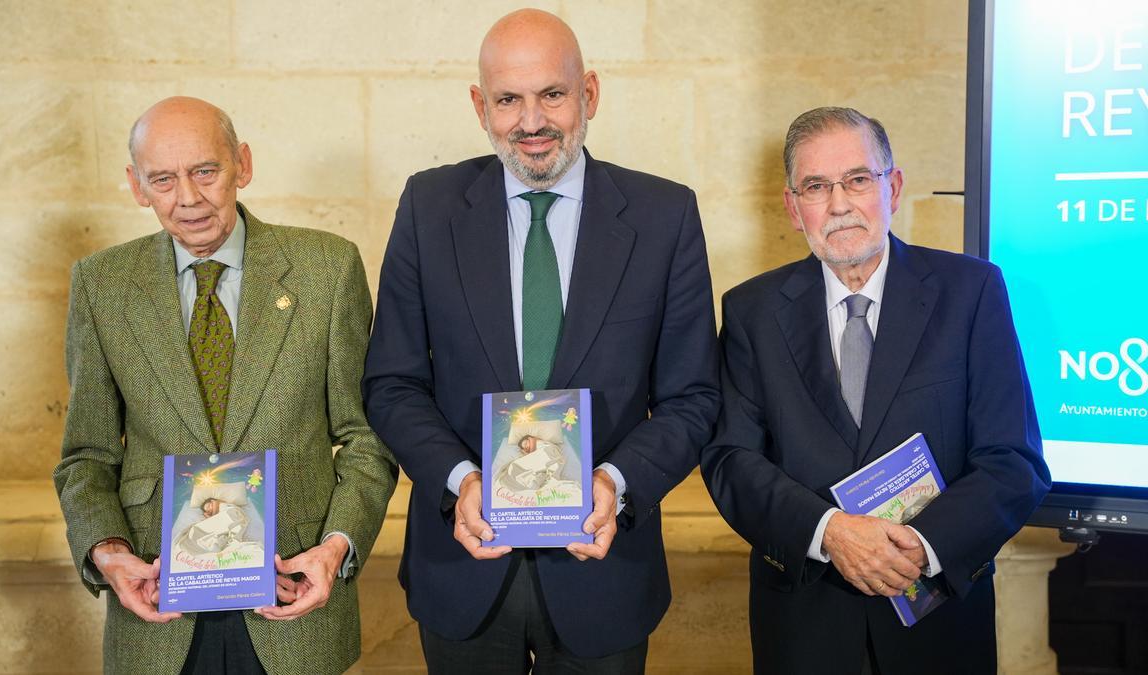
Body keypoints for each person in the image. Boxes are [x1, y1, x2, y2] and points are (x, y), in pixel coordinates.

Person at [362, 8, 720, 672]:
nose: (531, 121)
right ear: (480, 106)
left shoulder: (665, 217)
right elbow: (392, 383)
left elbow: (693, 397)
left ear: (589, 94)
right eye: (508, 100)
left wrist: (616, 482)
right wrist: (460, 480)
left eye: (552, 94)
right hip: (462, 566)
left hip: (604, 569)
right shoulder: (427, 208)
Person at [53, 96, 397, 675]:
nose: (187, 198)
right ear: (137, 186)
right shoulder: (101, 285)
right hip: (158, 611)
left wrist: (336, 547)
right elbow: (86, 456)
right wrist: (107, 553)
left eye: (205, 171)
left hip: (293, 600)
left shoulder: (327, 268)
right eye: (163, 179)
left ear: (243, 163)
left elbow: (366, 438)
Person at [701, 106, 1052, 674]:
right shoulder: (751, 311)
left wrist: (921, 549)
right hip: (805, 626)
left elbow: (1014, 461)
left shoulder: (971, 292)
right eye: (816, 186)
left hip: (937, 623)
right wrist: (830, 533)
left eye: (858, 180)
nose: (839, 205)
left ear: (894, 186)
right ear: (793, 206)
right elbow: (730, 460)